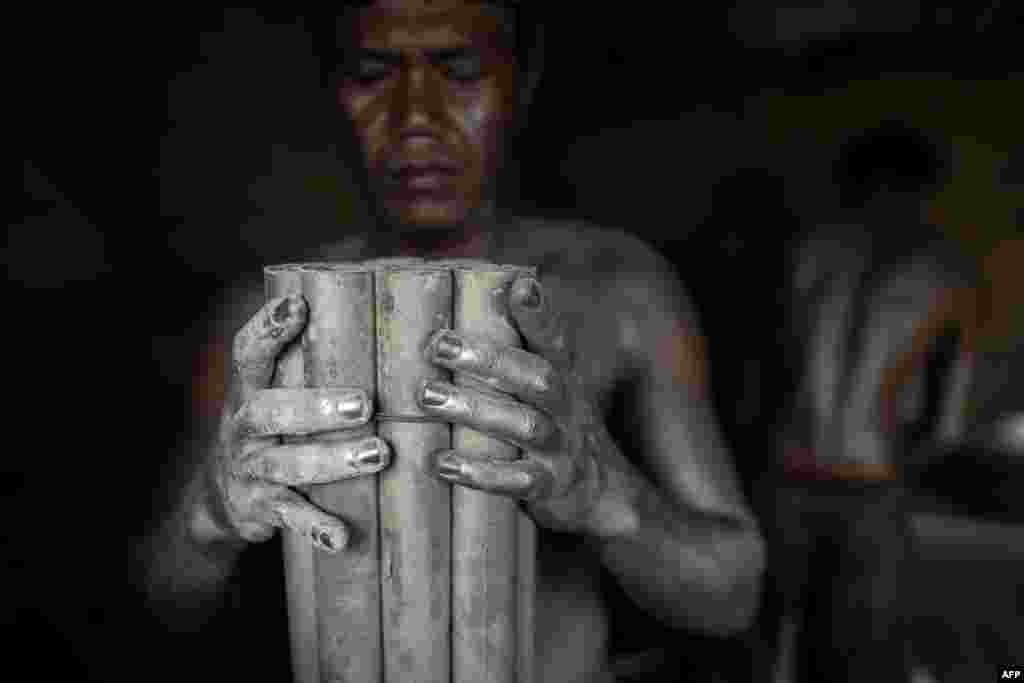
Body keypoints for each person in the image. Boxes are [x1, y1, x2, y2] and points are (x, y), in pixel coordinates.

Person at [144, 2, 765, 681]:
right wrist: (209, 515)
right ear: (332, 88)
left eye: (460, 70)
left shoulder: (621, 290)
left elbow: (733, 596)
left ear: (521, 82)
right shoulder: (265, 314)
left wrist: (605, 492)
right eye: (373, 74)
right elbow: (161, 604)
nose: (417, 116)